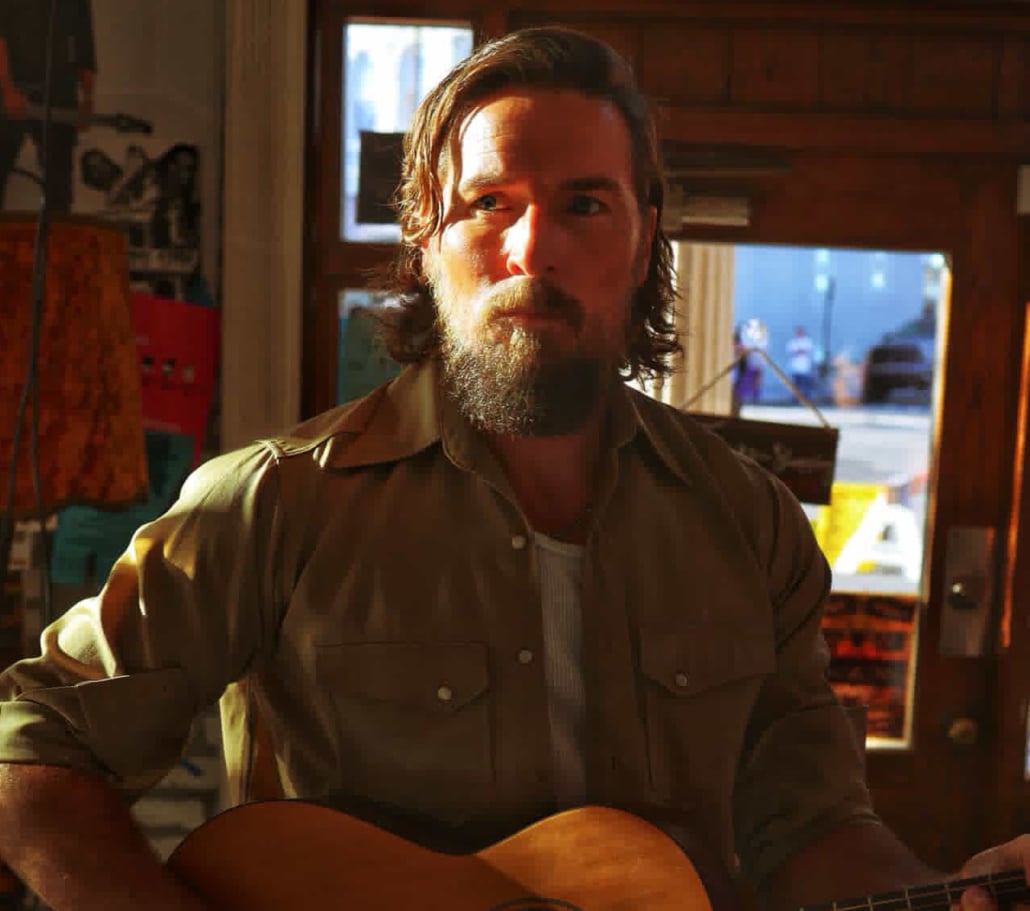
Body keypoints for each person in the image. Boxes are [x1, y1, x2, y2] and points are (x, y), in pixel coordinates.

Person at [0, 26, 1026, 911]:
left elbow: (814, 830)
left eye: (585, 205)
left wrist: (949, 890)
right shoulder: (276, 501)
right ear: (424, 239)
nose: (534, 249)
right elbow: (26, 747)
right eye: (490, 202)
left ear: (645, 240)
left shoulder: (751, 525)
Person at [0, 0, 96, 213]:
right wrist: (7, 89)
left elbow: (84, 46)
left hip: (59, 92)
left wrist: (87, 98)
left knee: (59, 185)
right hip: (15, 89)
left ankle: (56, 231)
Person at [786, 325, 815, 403]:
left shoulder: (807, 341)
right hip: (795, 368)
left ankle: (806, 398)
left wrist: (799, 351)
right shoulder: (792, 342)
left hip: (805, 368)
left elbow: (807, 351)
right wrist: (800, 351)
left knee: (805, 384)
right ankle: (795, 399)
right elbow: (792, 352)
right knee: (796, 384)